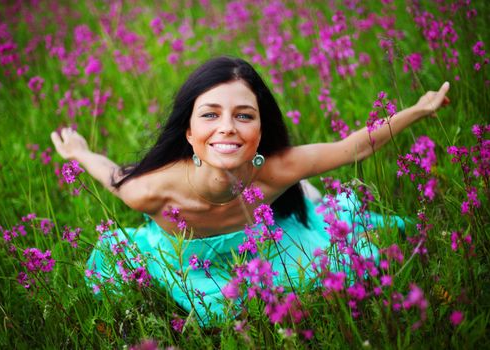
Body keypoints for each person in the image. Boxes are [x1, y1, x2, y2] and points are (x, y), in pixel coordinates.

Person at [51, 56, 450, 325]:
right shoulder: (152, 191)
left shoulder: (277, 169)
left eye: (244, 115)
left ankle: (305, 193)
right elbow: (113, 175)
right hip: (188, 260)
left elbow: (355, 147)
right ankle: (306, 192)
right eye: (210, 114)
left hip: (260, 239)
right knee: (218, 312)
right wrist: (80, 153)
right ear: (189, 133)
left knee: (322, 234)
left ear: (260, 131)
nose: (227, 127)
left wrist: (416, 110)